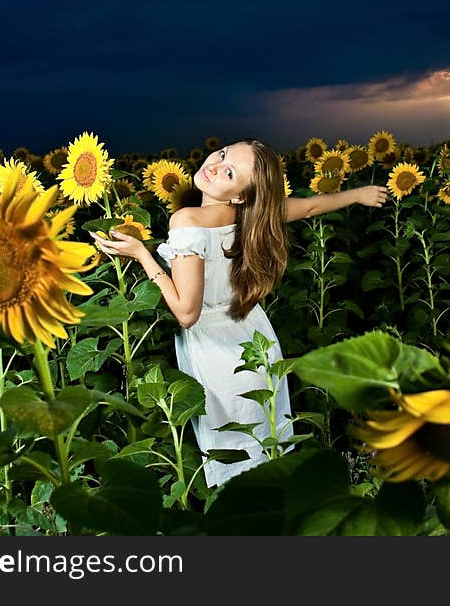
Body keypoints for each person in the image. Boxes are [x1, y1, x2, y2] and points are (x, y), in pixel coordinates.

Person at [90, 138, 388, 487]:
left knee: (230, 465)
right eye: (221, 154)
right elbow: (309, 207)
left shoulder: (187, 220)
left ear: (239, 195)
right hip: (256, 342)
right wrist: (358, 194)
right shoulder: (254, 215)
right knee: (266, 455)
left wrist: (143, 256)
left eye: (228, 171)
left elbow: (187, 313)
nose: (213, 166)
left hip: (217, 356)